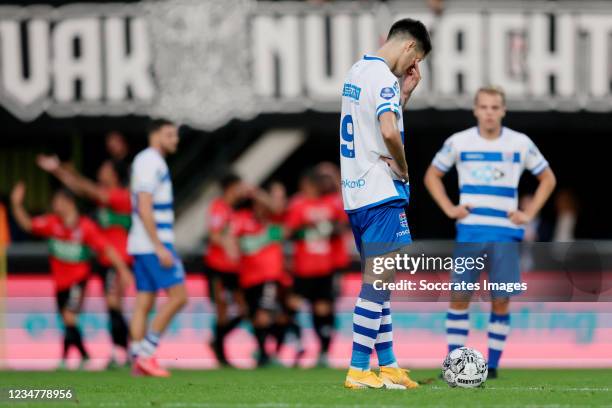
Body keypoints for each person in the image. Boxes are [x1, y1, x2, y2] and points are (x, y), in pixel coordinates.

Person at [424, 85, 556, 378]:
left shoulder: (520, 143)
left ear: (503, 111)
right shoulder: (459, 142)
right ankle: (455, 362)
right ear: (475, 110)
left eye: (495, 107)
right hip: (470, 231)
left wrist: (529, 214)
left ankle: (493, 364)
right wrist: (449, 208)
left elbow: (547, 178)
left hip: (505, 233)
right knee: (460, 296)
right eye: (484, 107)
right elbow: (432, 174)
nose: (489, 113)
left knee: (501, 298)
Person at [340, 18, 431, 389]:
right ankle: (359, 368)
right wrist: (405, 168)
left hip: (357, 192)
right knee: (377, 283)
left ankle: (388, 364)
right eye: (415, 61)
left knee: (381, 281)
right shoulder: (383, 78)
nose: (411, 70)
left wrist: (404, 96)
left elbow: (368, 127)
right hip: (382, 193)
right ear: (409, 47)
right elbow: (389, 131)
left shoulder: (357, 70)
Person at [10, 183, 132, 369]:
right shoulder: (52, 224)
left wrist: (122, 270)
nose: (55, 205)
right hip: (60, 283)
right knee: (67, 321)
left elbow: (106, 249)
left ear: (69, 203)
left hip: (78, 280)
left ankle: (85, 355)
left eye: (58, 201)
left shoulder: (85, 227)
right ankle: (71, 356)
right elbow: (28, 224)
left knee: (69, 316)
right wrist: (16, 204)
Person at [37, 155, 132, 368]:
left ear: (114, 175)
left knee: (113, 303)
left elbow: (87, 189)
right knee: (112, 306)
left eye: (105, 168)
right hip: (103, 259)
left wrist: (64, 170)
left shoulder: (121, 196)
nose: (101, 170)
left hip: (117, 258)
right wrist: (59, 171)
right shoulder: (103, 197)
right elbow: (80, 189)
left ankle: (124, 351)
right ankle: (123, 351)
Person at [128, 119, 188, 377]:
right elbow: (144, 205)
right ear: (155, 135)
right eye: (169, 134)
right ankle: (146, 354)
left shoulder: (148, 161)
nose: (175, 139)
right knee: (179, 297)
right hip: (153, 244)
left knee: (144, 301)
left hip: (141, 243)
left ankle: (138, 359)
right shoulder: (150, 161)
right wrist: (159, 246)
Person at [285, 169, 337, 367]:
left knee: (322, 309)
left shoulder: (330, 204)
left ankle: (323, 352)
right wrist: (308, 230)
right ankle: (296, 343)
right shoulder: (298, 204)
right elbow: (289, 232)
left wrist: (329, 228)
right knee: (292, 306)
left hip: (325, 266)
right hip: (303, 268)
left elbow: (342, 225)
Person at [232, 188, 284, 367]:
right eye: (259, 204)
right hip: (248, 277)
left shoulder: (274, 220)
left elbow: (276, 208)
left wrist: (256, 192)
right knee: (254, 317)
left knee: (263, 315)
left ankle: (265, 355)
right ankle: (262, 353)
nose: (263, 207)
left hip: (269, 276)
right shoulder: (242, 219)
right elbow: (234, 241)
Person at [204, 173, 246, 366]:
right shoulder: (219, 208)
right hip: (218, 267)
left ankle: (216, 341)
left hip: (234, 269)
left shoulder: (233, 210)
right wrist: (227, 245)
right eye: (239, 187)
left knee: (243, 310)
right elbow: (213, 235)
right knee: (222, 309)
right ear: (230, 188)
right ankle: (221, 353)